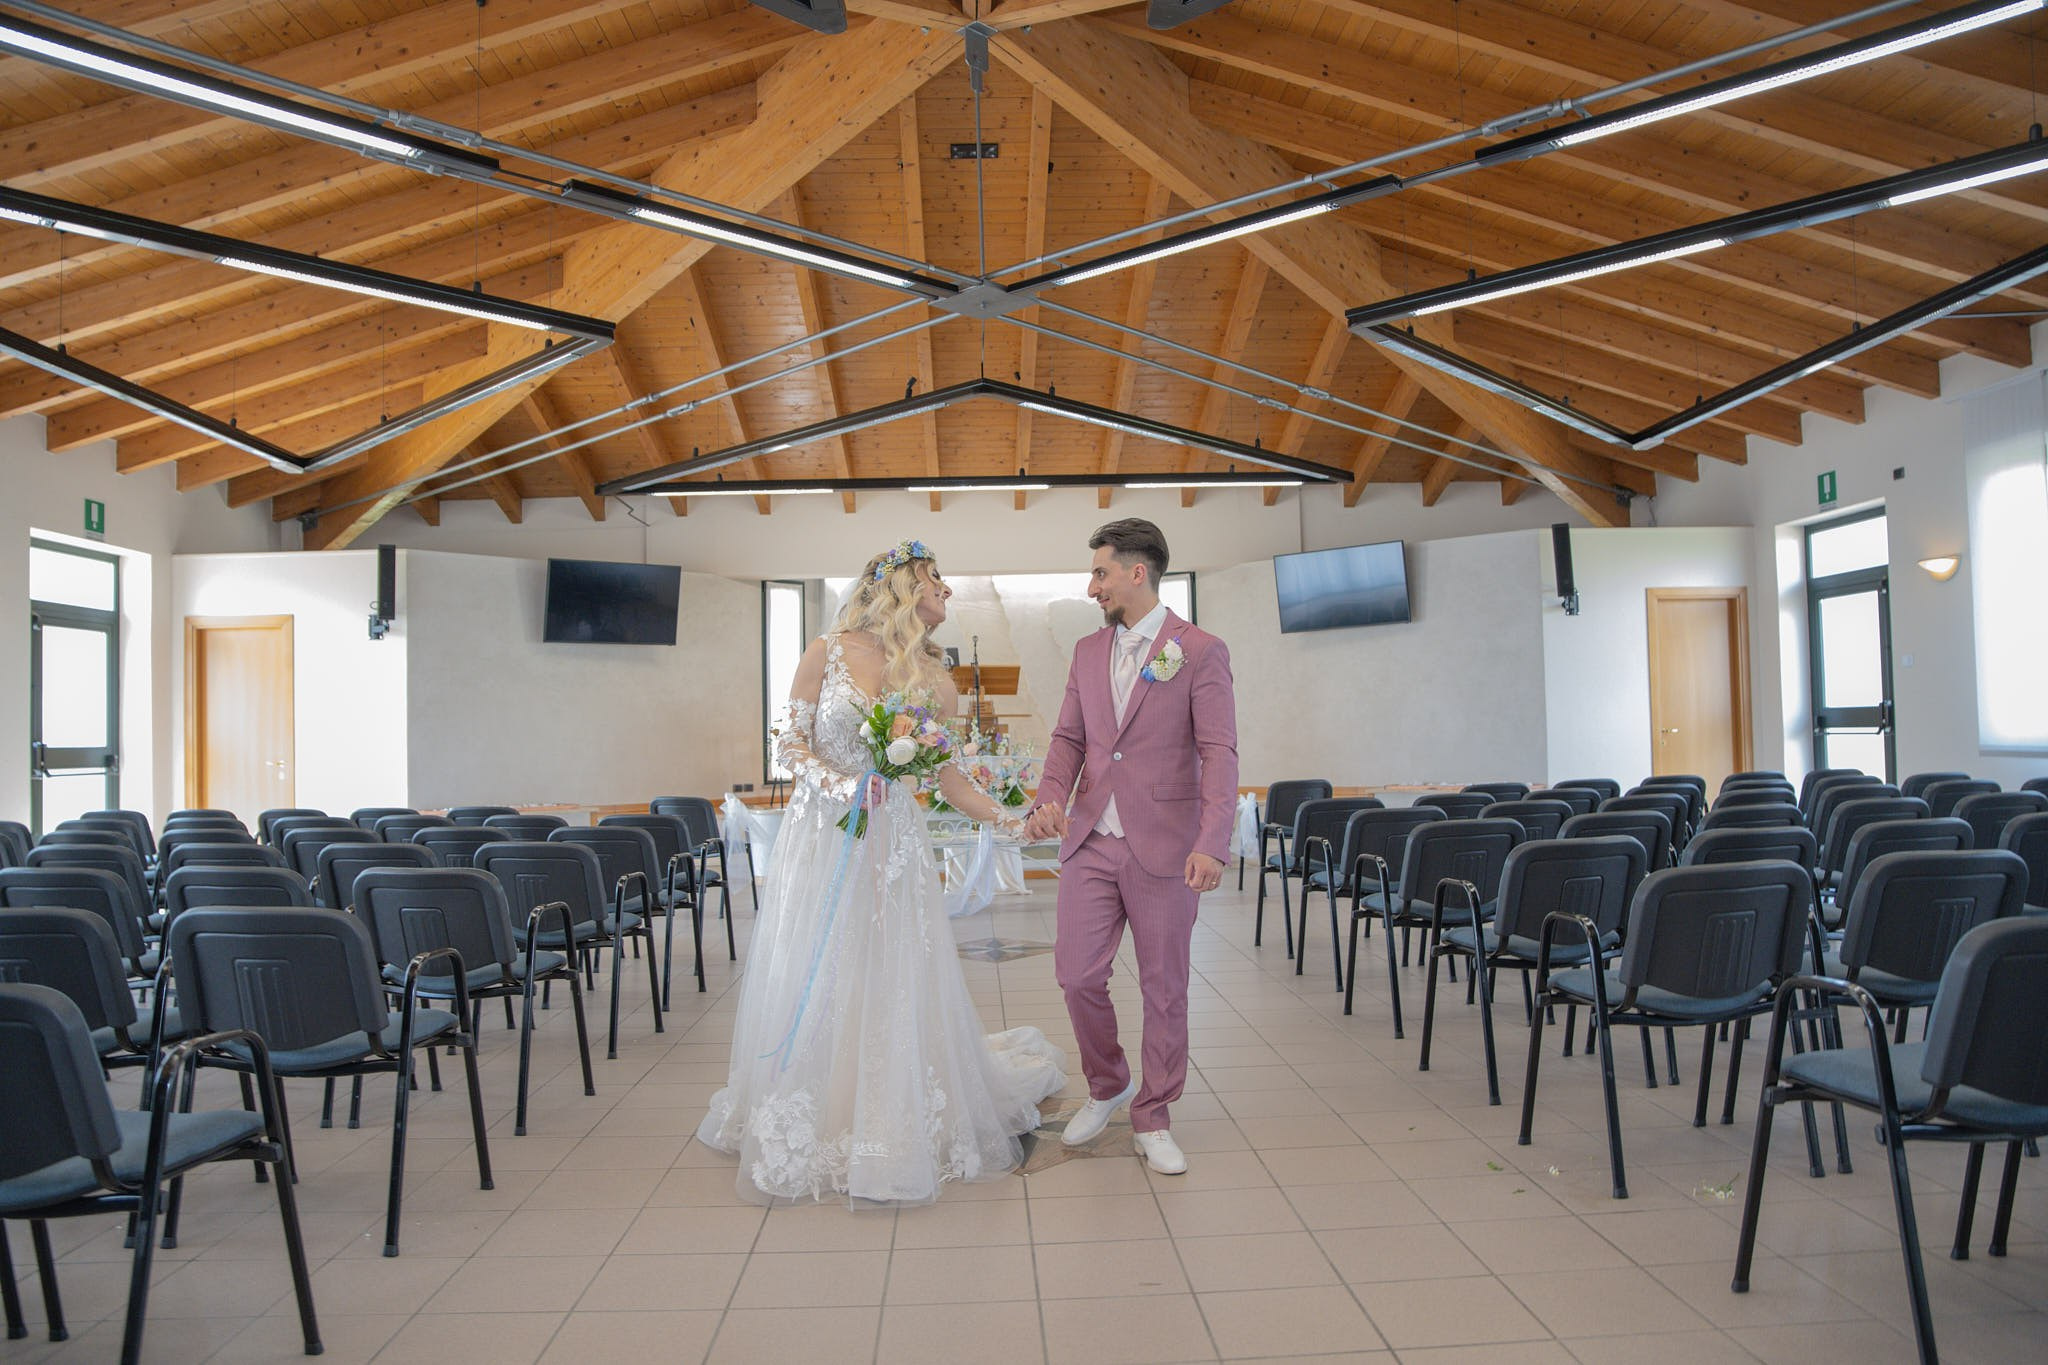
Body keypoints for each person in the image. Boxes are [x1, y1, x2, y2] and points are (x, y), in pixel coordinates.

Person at [697, 539, 1066, 1204]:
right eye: (937, 581)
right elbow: (788, 744)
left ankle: (883, 1115)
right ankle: (814, 1101)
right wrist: (839, 787)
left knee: (888, 968)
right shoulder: (826, 650)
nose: (947, 592)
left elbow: (948, 776)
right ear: (902, 588)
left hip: (891, 841)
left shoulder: (934, 674)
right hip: (822, 833)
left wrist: (1016, 820)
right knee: (826, 959)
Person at [1026, 518, 1238, 1176]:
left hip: (1168, 847)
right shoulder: (1088, 652)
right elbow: (1068, 738)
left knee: (1164, 988)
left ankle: (1154, 1113)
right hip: (1091, 836)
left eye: (1100, 572)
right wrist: (1049, 796)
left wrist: (1212, 841)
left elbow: (1219, 752)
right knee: (1077, 974)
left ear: (1135, 573)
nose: (1092, 586)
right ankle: (1108, 1080)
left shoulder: (1199, 650)